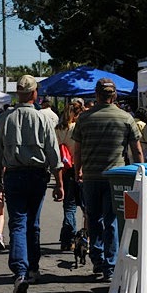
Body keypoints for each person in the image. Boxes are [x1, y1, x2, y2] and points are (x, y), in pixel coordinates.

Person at [0, 75, 64, 293]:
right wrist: (59, 184)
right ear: (34, 94)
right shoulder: (43, 119)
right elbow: (54, 154)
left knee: (18, 223)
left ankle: (20, 272)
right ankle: (32, 268)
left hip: (13, 175)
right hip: (37, 176)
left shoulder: (5, 118)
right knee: (33, 223)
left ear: (18, 93)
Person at [73, 78, 143, 282]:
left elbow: (77, 151)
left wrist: (78, 171)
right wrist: (142, 173)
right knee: (111, 220)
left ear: (96, 95)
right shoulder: (126, 118)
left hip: (91, 176)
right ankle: (110, 266)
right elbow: (137, 151)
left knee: (93, 218)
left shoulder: (84, 118)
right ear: (114, 95)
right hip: (116, 178)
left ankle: (97, 258)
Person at [56, 97, 85, 252]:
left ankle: (68, 238)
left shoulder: (59, 128)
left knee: (69, 206)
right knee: (86, 208)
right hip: (80, 168)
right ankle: (83, 239)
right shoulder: (78, 128)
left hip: (65, 170)